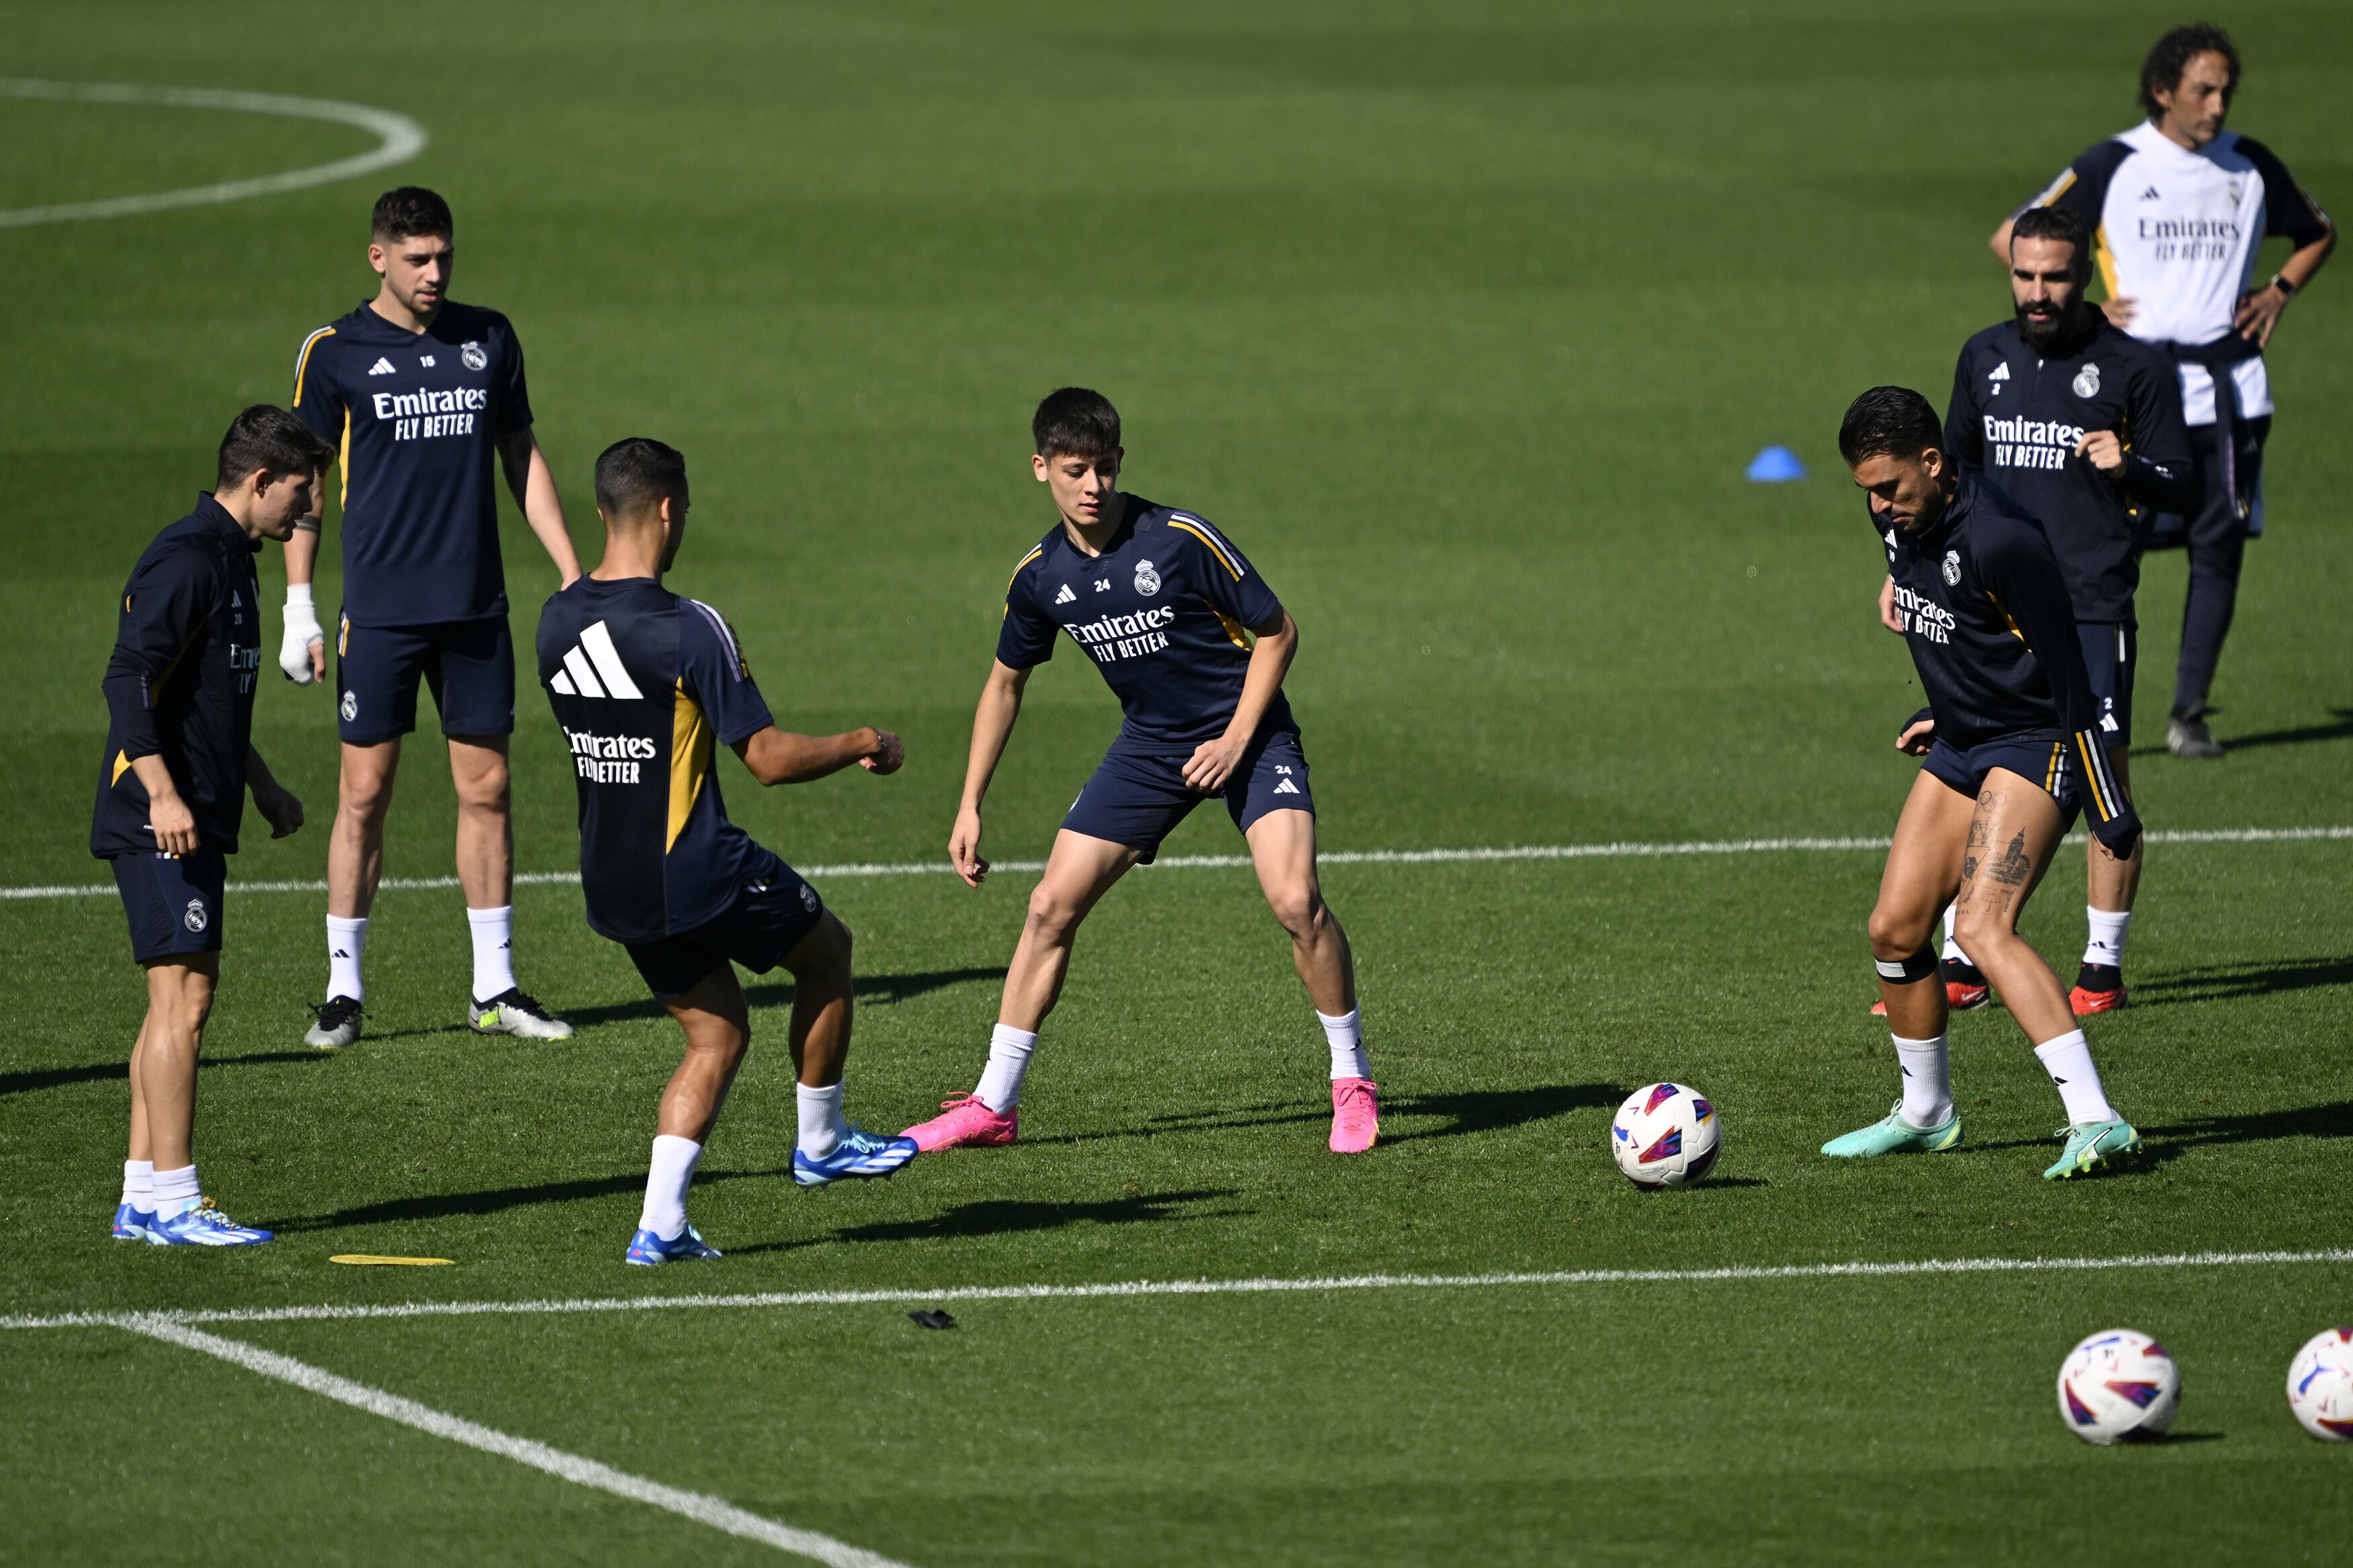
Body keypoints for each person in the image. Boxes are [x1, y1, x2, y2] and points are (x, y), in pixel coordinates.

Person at [903, 388, 1378, 1156]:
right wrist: (969, 802)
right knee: (1049, 905)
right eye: (1074, 470)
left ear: (1121, 465)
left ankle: (1350, 1079)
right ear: (1040, 469)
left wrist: (1233, 739)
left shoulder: (1179, 539)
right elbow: (1004, 683)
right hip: (1152, 747)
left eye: (1104, 468)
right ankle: (994, 1102)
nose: (1092, 486)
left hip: (1250, 735)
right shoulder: (1038, 576)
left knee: (1295, 899)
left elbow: (1277, 631)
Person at [539, 438, 916, 1264]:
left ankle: (660, 1226)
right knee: (829, 950)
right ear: (669, 511)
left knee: (715, 1036)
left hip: (616, 880)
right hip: (699, 865)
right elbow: (769, 760)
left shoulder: (555, 619)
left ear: (602, 511)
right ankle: (821, 1142)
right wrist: (861, 740)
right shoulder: (688, 627)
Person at [283, 186, 583, 1048]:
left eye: (443, 256)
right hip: (380, 613)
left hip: (474, 608)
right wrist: (299, 605)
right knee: (364, 793)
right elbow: (304, 488)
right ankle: (343, 990)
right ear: (377, 257)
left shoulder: (488, 337)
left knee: (487, 788)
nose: (434, 273)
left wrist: (569, 571)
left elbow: (519, 454)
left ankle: (496, 985)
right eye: (417, 258)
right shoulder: (333, 352)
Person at [1879, 204, 2192, 1017]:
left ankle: (2100, 964)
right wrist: (1907, 572)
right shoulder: (1982, 355)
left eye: (2053, 276)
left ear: (2083, 273)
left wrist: (2130, 468)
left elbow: (2184, 486)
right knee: (1986, 748)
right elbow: (1942, 474)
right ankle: (1962, 953)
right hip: (1990, 602)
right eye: (2023, 275)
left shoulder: (2134, 368)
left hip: (2088, 601)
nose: (2037, 292)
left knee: (2102, 759)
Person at [1827, 387, 2145, 1182]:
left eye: (1890, 487)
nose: (1876, 504)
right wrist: (1945, 709)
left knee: (1980, 925)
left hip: (2037, 742)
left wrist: (2106, 800)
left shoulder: (2003, 540)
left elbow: (2071, 673)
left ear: (1932, 463)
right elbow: (1954, 618)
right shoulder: (1893, 517)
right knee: (1894, 928)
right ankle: (1926, 1113)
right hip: (1965, 739)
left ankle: (2095, 1119)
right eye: (1864, 488)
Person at [1991, 24, 2334, 759]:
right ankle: (2062, 701)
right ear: (2161, 90)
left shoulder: (2248, 165)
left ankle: (2187, 712)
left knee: (2218, 548)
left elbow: (2317, 231)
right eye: (2202, 90)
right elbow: (2013, 234)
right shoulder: (2114, 162)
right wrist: (2083, 308)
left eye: (2224, 91)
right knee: (2104, 550)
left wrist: (2277, 288)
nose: (2216, 105)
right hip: (2129, 397)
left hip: (2228, 391)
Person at [93, 407, 329, 1245]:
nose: (309, 509)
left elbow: (207, 699)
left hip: (196, 807)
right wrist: (161, 792)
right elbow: (130, 679)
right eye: (302, 490)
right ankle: (178, 1199)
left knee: (174, 1004)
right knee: (184, 1001)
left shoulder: (235, 559)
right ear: (260, 479)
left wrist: (261, 782)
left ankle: (143, 1196)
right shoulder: (188, 559)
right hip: (161, 813)